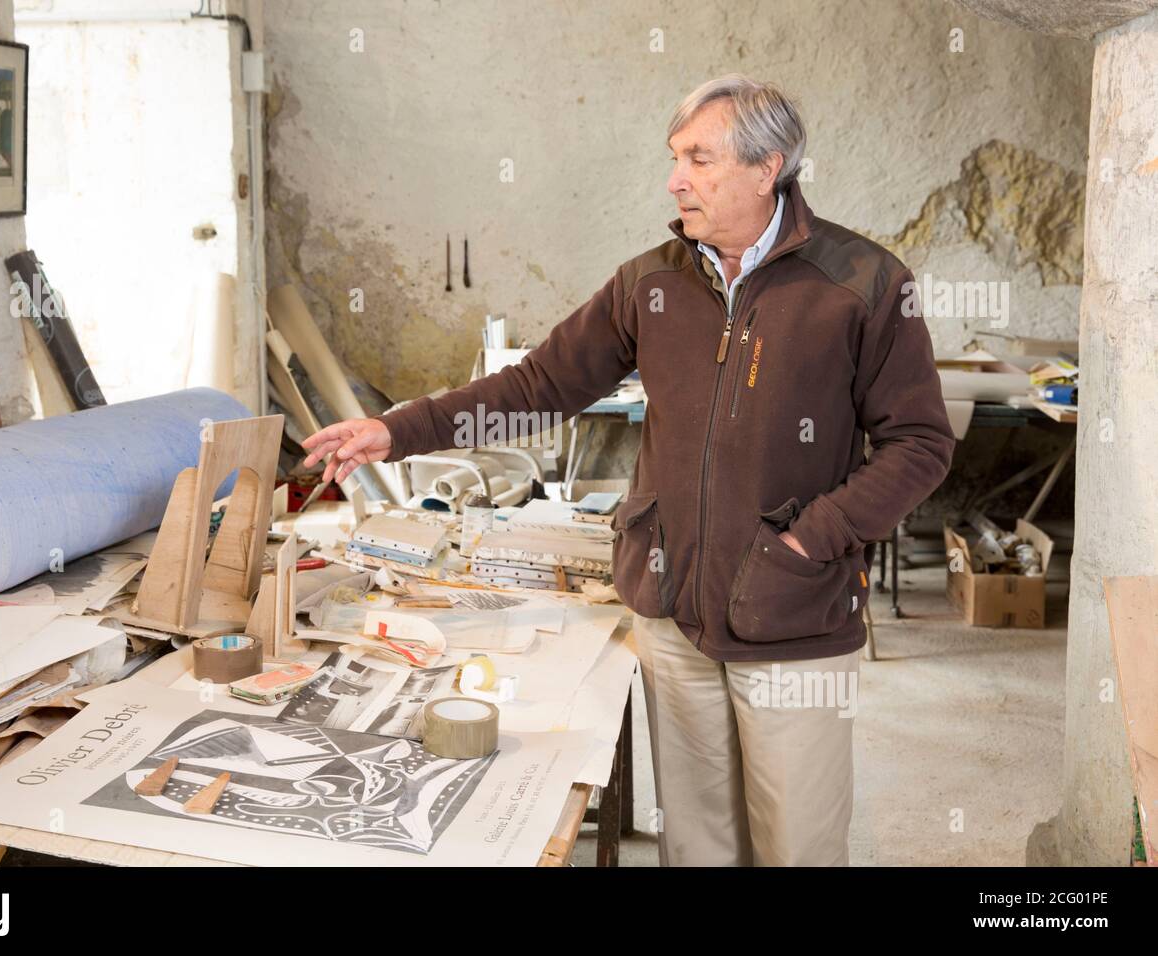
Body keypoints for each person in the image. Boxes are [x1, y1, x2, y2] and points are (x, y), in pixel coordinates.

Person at [302, 75, 954, 866]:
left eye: (698, 159)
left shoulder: (864, 284)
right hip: (672, 607)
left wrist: (810, 542)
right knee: (699, 841)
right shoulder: (653, 282)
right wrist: (396, 430)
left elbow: (920, 444)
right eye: (675, 158)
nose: (674, 179)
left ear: (766, 167)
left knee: (798, 846)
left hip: (796, 616)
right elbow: (538, 386)